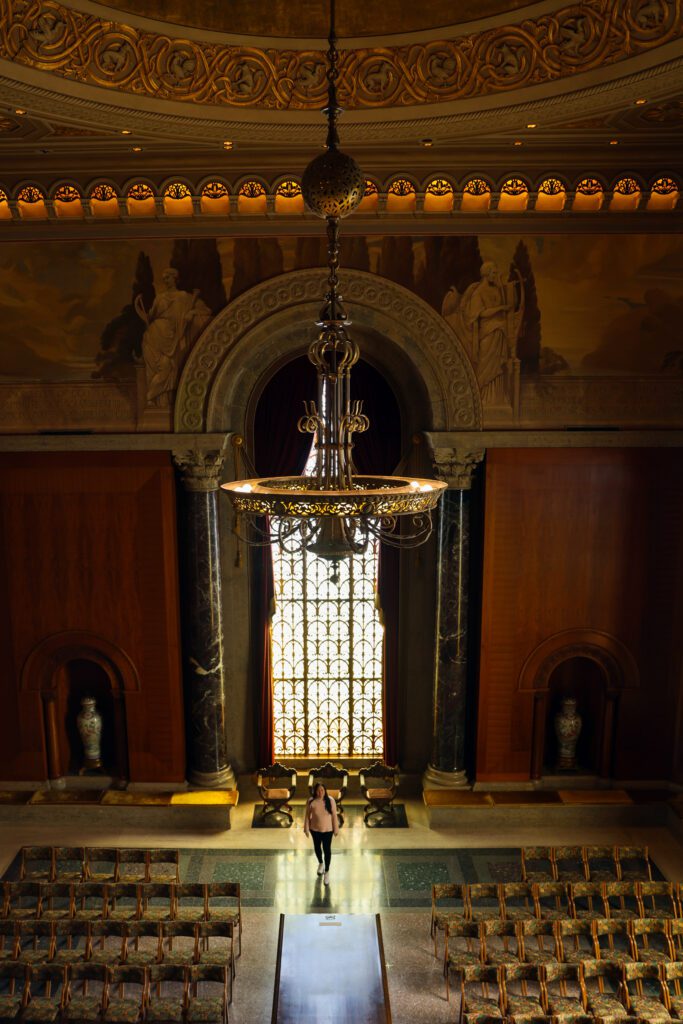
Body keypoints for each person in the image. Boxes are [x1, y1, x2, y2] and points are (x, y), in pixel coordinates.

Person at [303, 782, 339, 885]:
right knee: (317, 848)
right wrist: (306, 828)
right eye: (318, 790)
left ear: (325, 790)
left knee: (327, 850)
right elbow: (307, 816)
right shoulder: (311, 801)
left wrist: (336, 829)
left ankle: (327, 872)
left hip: (328, 831)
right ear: (315, 791)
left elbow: (334, 816)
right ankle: (320, 863)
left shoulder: (330, 801)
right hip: (315, 830)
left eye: (322, 790)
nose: (320, 792)